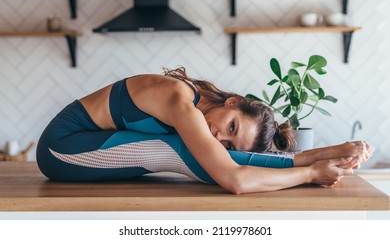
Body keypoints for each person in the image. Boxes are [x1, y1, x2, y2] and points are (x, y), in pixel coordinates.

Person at [36, 67, 374, 194]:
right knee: (177, 151)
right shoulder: (179, 101)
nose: (218, 138)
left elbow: (230, 165)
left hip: (88, 146)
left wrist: (322, 158)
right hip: (62, 149)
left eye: (228, 141)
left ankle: (314, 156)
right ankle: (311, 159)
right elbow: (235, 180)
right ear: (233, 101)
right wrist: (310, 173)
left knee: (194, 153)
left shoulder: (195, 112)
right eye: (230, 126)